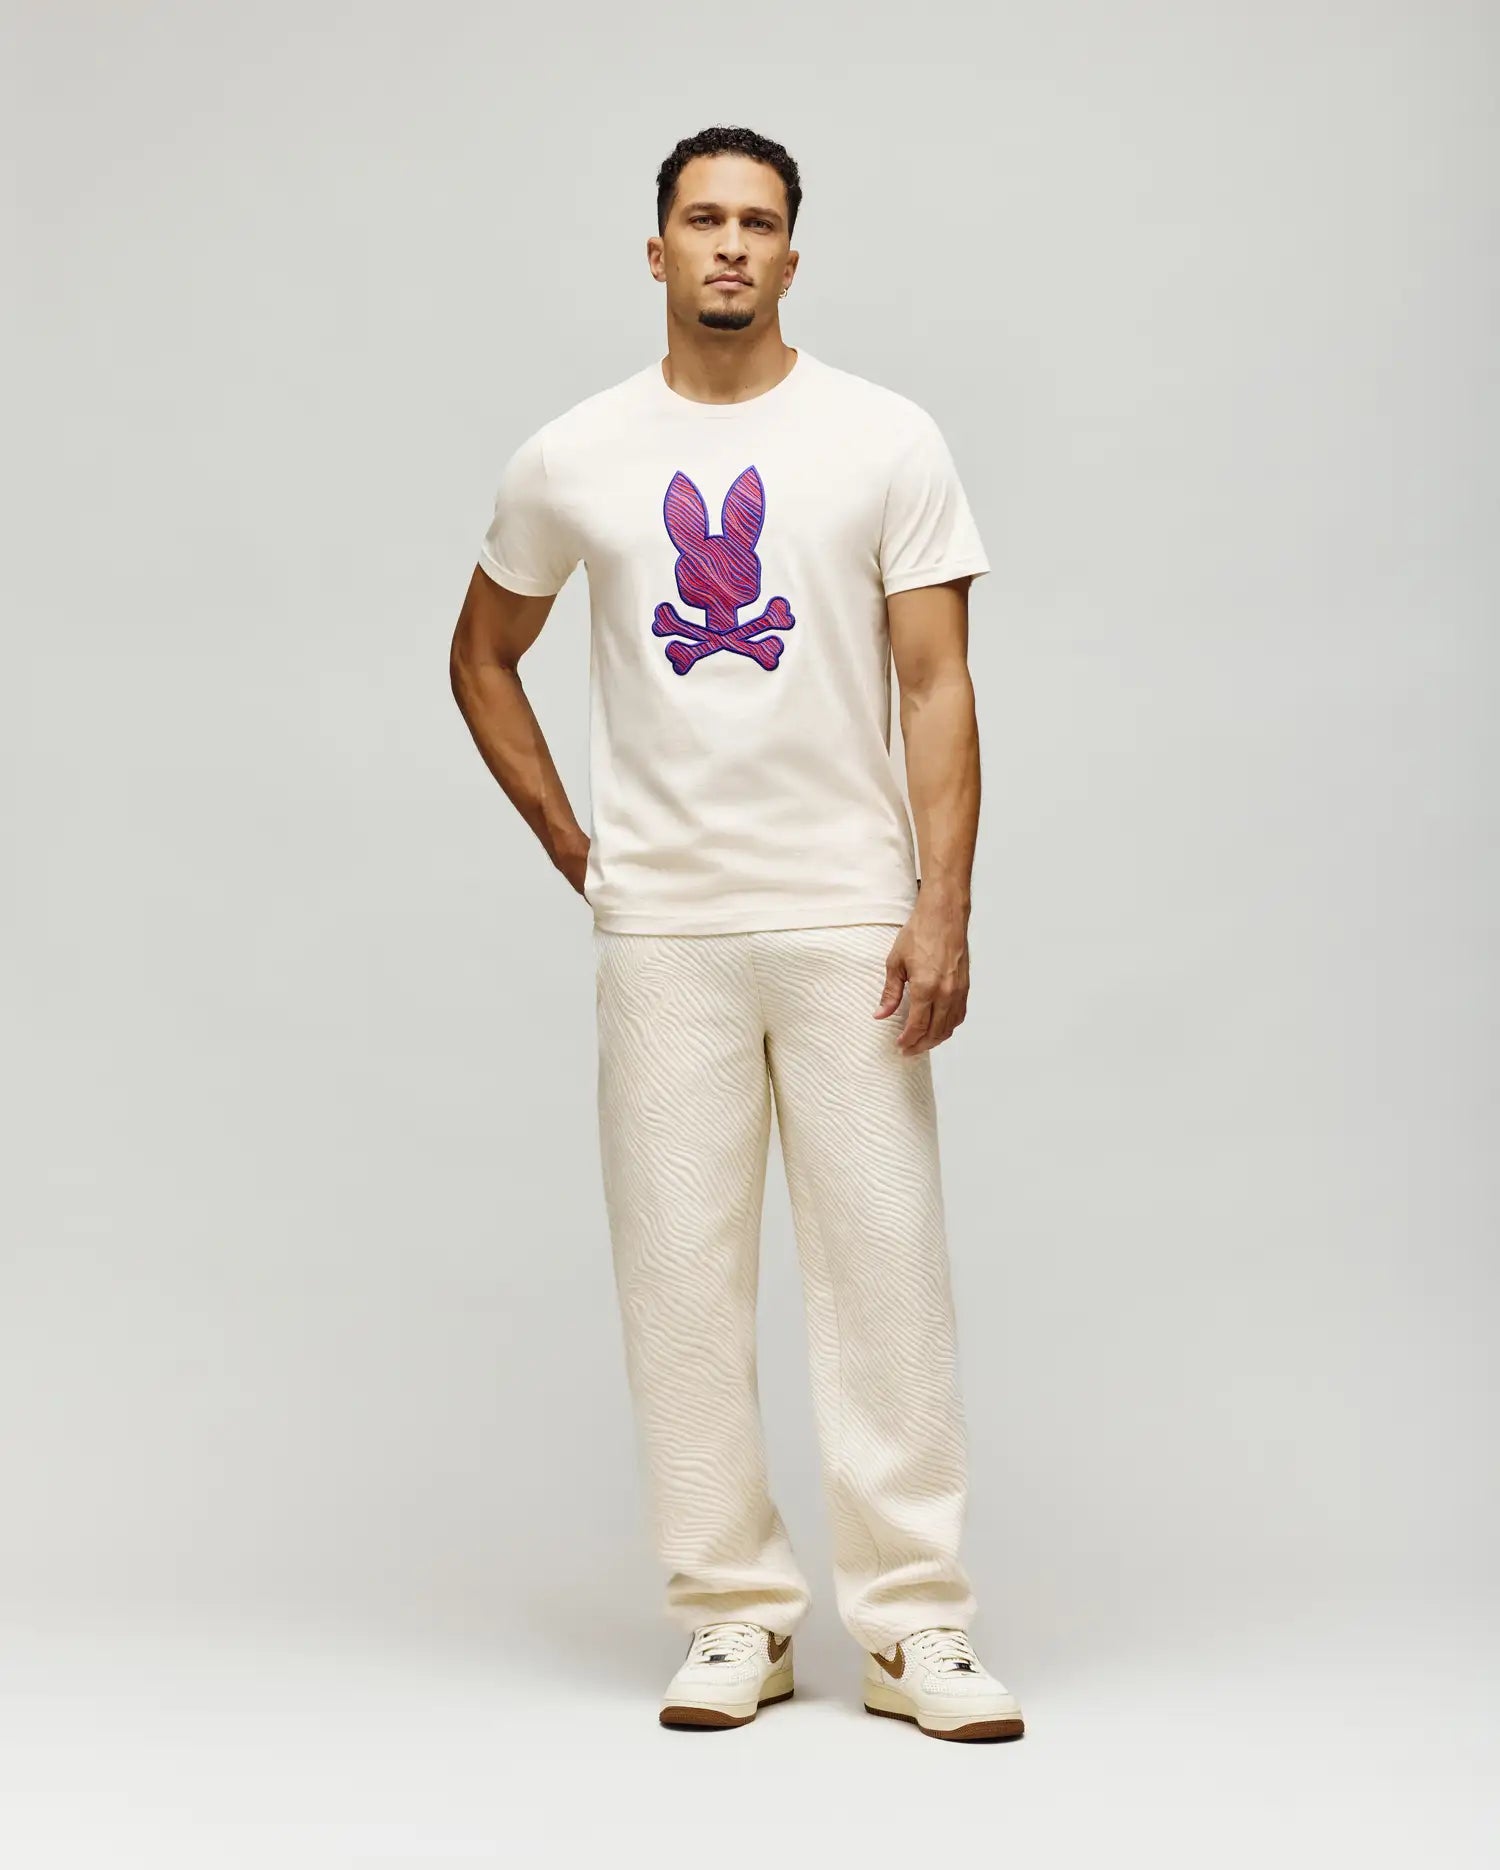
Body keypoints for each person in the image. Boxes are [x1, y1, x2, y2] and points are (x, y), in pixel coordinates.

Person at [449, 125, 1024, 1744]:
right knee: (681, 1274)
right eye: (702, 219)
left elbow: (937, 682)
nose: (729, 245)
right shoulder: (574, 454)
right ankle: (734, 1614)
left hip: (850, 914)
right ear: (656, 250)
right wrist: (579, 846)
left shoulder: (884, 437)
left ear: (791, 254)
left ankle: (914, 1624)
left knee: (887, 1268)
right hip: (668, 931)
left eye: (757, 223)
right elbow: (481, 653)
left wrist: (941, 898)